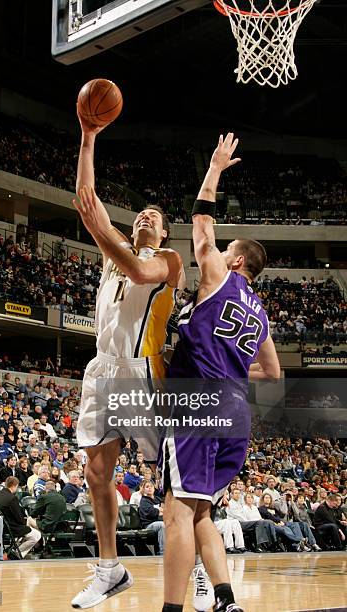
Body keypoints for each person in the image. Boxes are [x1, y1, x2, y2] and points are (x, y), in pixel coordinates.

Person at [159, 134, 281, 612]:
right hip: (236, 411)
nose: (215, 250)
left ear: (236, 261)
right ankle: (226, 601)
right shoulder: (262, 314)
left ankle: (171, 609)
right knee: (202, 509)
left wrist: (213, 167)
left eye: (225, 249)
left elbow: (201, 222)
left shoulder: (218, 274)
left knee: (177, 512)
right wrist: (231, 367)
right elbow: (271, 372)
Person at [70, 110, 183, 609]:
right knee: (97, 473)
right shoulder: (112, 254)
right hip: (101, 369)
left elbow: (138, 271)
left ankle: (199, 563)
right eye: (140, 213)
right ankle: (110, 569)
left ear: (164, 233)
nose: (144, 217)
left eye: (154, 218)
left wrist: (104, 233)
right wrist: (88, 137)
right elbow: (87, 201)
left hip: (143, 374)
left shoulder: (169, 262)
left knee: (175, 480)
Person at [0, 476, 41, 558]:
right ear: (15, 485)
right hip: (11, 528)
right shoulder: (12, 498)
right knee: (37, 535)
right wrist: (24, 522)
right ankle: (17, 553)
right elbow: (19, 518)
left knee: (26, 533)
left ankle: (14, 551)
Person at [138, 481, 165, 555]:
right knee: (162, 525)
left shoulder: (158, 499)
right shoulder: (144, 501)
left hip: (160, 520)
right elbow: (152, 513)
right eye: (147, 487)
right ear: (143, 489)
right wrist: (160, 510)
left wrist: (161, 511)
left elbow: (167, 510)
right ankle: (163, 552)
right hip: (149, 525)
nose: (149, 488)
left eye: (151, 486)